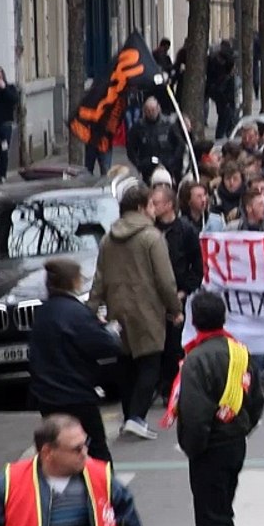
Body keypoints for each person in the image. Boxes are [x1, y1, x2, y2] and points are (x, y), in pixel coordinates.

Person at [166, 291, 264, 526]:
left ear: (194, 321)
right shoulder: (239, 351)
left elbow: (195, 414)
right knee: (223, 513)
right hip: (235, 442)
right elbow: (255, 398)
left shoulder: (196, 359)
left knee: (209, 522)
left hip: (210, 448)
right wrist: (243, 426)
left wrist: (193, 447)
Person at [0, 415, 151, 526]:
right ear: (48, 452)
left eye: (86, 444)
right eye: (76, 449)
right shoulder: (10, 484)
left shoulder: (102, 479)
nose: (85, 453)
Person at [88, 186, 183, 441]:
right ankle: (136, 417)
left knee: (126, 365)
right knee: (150, 363)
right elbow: (165, 280)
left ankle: (130, 414)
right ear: (141, 208)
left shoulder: (108, 239)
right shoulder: (152, 237)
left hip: (118, 311)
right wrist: (175, 308)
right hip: (148, 310)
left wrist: (91, 311)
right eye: (152, 205)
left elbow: (99, 279)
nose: (154, 210)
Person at [28, 259, 122, 462]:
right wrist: (112, 331)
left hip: (47, 396)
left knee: (59, 452)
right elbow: (105, 345)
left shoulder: (43, 312)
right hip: (76, 395)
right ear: (74, 282)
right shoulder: (76, 312)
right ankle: (102, 492)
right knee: (95, 451)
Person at [151, 185, 204, 397]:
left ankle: (169, 388)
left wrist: (183, 292)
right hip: (152, 298)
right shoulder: (150, 230)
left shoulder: (186, 230)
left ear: (169, 205)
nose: (153, 207)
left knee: (173, 345)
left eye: (157, 203)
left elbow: (197, 267)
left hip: (176, 297)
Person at [127, 97, 184, 183]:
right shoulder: (138, 127)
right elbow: (131, 148)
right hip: (147, 166)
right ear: (144, 111)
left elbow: (180, 144)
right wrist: (139, 164)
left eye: (153, 110)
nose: (151, 113)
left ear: (158, 108)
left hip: (167, 164)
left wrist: (173, 161)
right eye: (148, 110)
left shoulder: (169, 124)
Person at [0, 66, 20, 182]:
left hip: (5, 126)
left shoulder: (10, 88)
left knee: (4, 150)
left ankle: (3, 174)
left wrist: (4, 89)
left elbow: (14, 100)